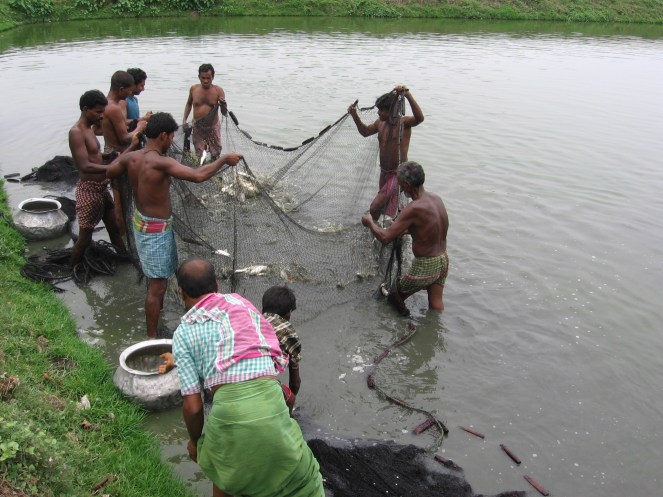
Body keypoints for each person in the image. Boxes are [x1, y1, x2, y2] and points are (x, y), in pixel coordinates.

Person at [169, 258, 325, 497]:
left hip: (227, 416)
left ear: (180, 292)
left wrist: (193, 441)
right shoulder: (239, 302)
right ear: (217, 286)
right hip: (272, 403)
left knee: (224, 472)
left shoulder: (183, 333)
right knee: (300, 480)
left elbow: (192, 407)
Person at [106, 112, 242, 338]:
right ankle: (151, 338)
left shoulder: (131, 158)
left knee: (156, 281)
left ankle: (156, 325)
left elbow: (110, 171)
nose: (172, 141)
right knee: (157, 287)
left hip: (142, 224)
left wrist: (130, 147)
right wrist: (223, 160)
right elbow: (197, 176)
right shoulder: (162, 162)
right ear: (162, 136)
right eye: (171, 137)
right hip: (155, 231)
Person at [361, 161, 449, 316]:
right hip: (443, 260)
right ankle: (434, 329)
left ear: (407, 185)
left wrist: (369, 222)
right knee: (436, 304)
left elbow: (385, 237)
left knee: (394, 296)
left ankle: (405, 321)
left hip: (426, 265)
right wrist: (407, 230)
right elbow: (431, 228)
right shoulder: (436, 199)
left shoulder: (413, 208)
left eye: (401, 184)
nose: (400, 188)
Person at [68, 90, 140, 268]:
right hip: (89, 191)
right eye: (98, 112)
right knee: (85, 237)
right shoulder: (76, 132)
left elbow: (93, 155)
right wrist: (111, 167)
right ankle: (71, 270)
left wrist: (108, 156)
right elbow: (84, 165)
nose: (101, 116)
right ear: (86, 109)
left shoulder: (88, 129)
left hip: (101, 188)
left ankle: (126, 264)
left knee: (114, 228)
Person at [348, 85, 424, 222]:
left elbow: (420, 118)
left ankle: (376, 231)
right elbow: (365, 132)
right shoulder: (380, 123)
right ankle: (389, 229)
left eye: (381, 111)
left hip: (398, 174)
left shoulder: (403, 123)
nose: (378, 113)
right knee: (386, 206)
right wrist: (354, 116)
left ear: (391, 110)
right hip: (384, 172)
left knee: (375, 207)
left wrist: (407, 95)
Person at [102, 70, 148, 236]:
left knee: (121, 199)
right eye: (129, 90)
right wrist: (139, 128)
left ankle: (124, 236)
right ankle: (125, 237)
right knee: (121, 202)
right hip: (119, 156)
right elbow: (124, 137)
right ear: (121, 89)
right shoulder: (113, 108)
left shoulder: (105, 104)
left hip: (113, 155)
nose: (131, 93)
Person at [262, 285, 302, 410]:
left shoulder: (252, 320)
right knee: (289, 399)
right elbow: (295, 382)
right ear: (289, 312)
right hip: (259, 384)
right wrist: (292, 395)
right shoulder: (287, 332)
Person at [182, 63, 228, 159]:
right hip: (198, 126)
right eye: (203, 78)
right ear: (199, 77)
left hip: (213, 126)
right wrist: (184, 120)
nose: (206, 81)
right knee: (199, 154)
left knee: (215, 153)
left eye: (208, 78)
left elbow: (224, 112)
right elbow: (189, 104)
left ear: (213, 77)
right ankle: (201, 170)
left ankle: (214, 168)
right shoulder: (194, 89)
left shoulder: (218, 91)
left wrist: (223, 104)